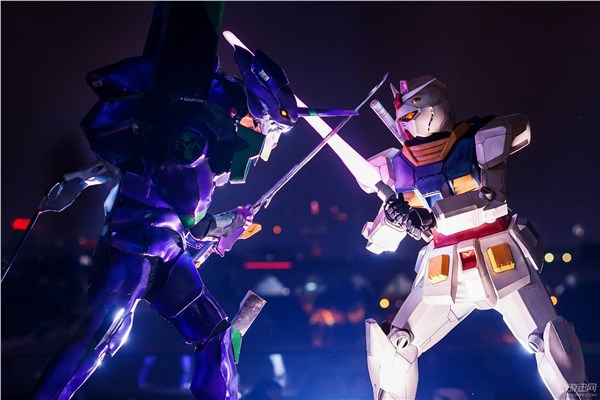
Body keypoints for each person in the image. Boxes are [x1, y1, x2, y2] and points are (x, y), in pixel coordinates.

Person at [31, 3, 299, 399]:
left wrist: (222, 227)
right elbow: (191, 208)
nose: (264, 141)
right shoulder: (193, 135)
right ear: (251, 116)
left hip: (168, 253)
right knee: (98, 339)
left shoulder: (202, 131)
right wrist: (222, 227)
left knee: (215, 336)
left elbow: (188, 216)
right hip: (132, 249)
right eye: (265, 128)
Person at [361, 76, 588, 400]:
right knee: (397, 343)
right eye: (402, 119)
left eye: (410, 114)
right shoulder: (398, 167)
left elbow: (495, 188)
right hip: (444, 269)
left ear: (432, 108)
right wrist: (396, 218)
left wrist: (430, 215)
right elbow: (379, 244)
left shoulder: (479, 139)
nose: (406, 124)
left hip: (500, 259)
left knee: (551, 342)